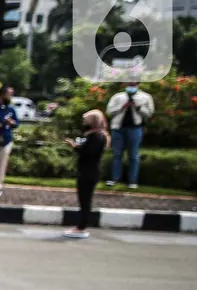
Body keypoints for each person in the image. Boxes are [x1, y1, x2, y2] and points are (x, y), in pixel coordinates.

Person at [64, 109, 110, 239]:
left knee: (85, 201)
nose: (84, 123)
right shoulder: (92, 136)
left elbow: (89, 153)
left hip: (89, 172)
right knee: (83, 200)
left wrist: (76, 147)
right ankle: (80, 225)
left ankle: (81, 227)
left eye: (86, 121)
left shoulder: (97, 137)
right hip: (86, 171)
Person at [105, 81, 155, 189]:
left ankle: (132, 181)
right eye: (129, 84)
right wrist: (122, 107)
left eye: (133, 84)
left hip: (135, 128)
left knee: (133, 155)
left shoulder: (145, 97)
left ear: (138, 84)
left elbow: (149, 113)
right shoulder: (118, 97)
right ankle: (115, 179)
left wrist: (137, 107)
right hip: (118, 128)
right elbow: (109, 111)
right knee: (117, 154)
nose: (131, 86)